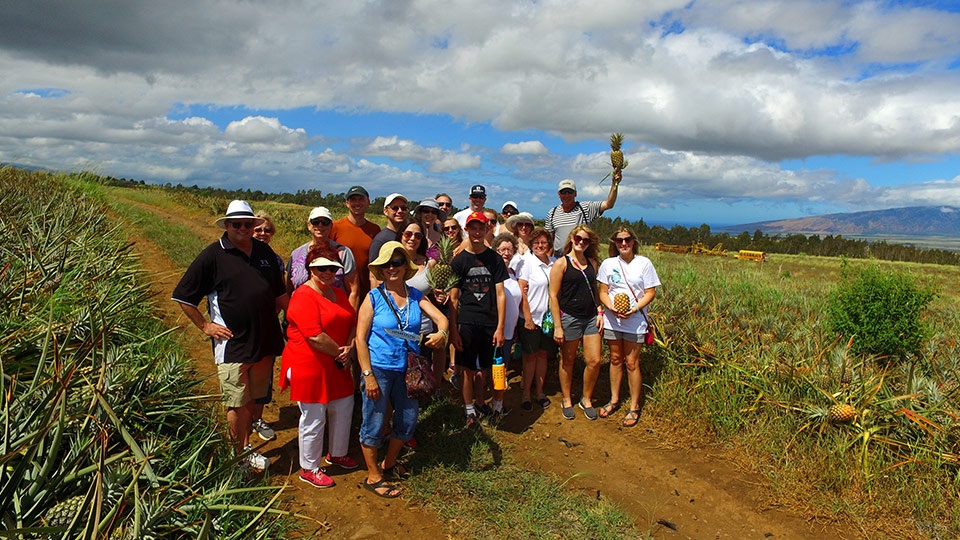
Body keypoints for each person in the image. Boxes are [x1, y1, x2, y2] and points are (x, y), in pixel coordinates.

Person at [172, 200, 287, 471]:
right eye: (237, 224)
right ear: (227, 225)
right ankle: (237, 458)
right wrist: (205, 326)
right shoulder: (213, 255)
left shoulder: (264, 252)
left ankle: (245, 448)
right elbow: (183, 295)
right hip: (233, 343)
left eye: (249, 224)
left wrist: (301, 322)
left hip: (264, 339)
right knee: (236, 401)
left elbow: (279, 293)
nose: (244, 229)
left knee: (252, 399)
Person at [356, 242, 448, 498]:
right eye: (387, 265)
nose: (391, 268)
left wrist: (441, 333)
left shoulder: (416, 296)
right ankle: (374, 475)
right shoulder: (373, 298)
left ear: (405, 267)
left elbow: (442, 318)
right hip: (379, 368)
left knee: (407, 421)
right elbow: (360, 339)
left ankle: (390, 463)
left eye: (397, 263)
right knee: (373, 420)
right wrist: (368, 375)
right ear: (381, 270)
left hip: (408, 369)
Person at [280, 248, 357, 488]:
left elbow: (351, 320)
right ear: (310, 269)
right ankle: (309, 467)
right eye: (321, 268)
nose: (327, 272)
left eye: (332, 268)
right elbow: (313, 335)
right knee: (314, 416)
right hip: (309, 363)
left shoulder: (337, 293)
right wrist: (342, 353)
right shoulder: (302, 296)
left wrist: (351, 346)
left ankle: (337, 452)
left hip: (337, 361)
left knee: (343, 406)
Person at [449, 211, 508, 427]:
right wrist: (454, 330)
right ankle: (469, 411)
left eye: (480, 228)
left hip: (490, 322)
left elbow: (501, 294)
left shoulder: (495, 259)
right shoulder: (460, 261)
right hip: (467, 321)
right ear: (467, 230)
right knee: (466, 369)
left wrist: (500, 327)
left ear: (487, 230)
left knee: (491, 369)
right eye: (472, 228)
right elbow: (454, 299)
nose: (476, 232)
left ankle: (493, 406)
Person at [597, 226, 660, 428]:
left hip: (635, 321)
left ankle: (634, 406)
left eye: (627, 239)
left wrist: (633, 309)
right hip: (613, 318)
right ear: (614, 243)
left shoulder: (644, 263)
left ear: (633, 241)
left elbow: (650, 292)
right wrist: (610, 307)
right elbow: (603, 291)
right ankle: (615, 399)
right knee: (615, 359)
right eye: (619, 240)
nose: (623, 243)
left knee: (632, 362)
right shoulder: (608, 264)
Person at [549, 225, 603, 421]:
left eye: (586, 240)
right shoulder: (561, 264)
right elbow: (553, 296)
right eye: (579, 238)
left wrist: (599, 311)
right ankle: (566, 399)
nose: (581, 242)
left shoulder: (593, 263)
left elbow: (596, 291)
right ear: (572, 238)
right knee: (568, 360)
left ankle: (586, 399)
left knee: (595, 361)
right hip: (569, 317)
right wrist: (558, 326)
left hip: (590, 318)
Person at [249, 210, 282, 442]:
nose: (262, 234)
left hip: (267, 325)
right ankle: (243, 419)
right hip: (242, 328)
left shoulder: (276, 260)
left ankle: (257, 418)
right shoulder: (236, 254)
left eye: (266, 230)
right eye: (258, 229)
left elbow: (280, 294)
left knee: (263, 376)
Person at [287, 207, 359, 309]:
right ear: (309, 225)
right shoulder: (296, 254)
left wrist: (350, 319)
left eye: (325, 222)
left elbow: (353, 291)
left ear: (331, 226)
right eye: (315, 222)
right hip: (301, 312)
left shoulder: (343, 253)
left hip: (334, 314)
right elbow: (289, 289)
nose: (320, 225)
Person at [517, 227, 556, 411]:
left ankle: (539, 392)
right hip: (530, 318)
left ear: (549, 245)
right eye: (537, 243)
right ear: (531, 245)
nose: (540, 246)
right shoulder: (527, 263)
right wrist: (528, 317)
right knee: (530, 357)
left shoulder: (554, 263)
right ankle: (526, 394)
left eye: (544, 242)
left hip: (548, 319)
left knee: (543, 355)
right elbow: (522, 291)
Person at [544, 170, 622, 254]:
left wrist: (615, 184)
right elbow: (549, 240)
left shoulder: (586, 208)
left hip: (582, 258)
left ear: (575, 194)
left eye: (570, 192)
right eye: (563, 192)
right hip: (559, 258)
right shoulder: (552, 213)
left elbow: (608, 204)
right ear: (559, 194)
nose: (567, 195)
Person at [330, 185, 381, 301]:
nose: (357, 203)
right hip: (339, 290)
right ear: (347, 203)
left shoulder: (374, 229)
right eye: (353, 200)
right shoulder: (335, 227)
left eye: (361, 199)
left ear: (368, 201)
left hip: (367, 291)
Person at [493, 233, 522, 385]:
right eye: (502, 249)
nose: (506, 253)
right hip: (495, 326)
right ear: (496, 251)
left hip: (510, 327)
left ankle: (501, 383)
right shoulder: (491, 272)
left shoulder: (513, 273)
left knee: (505, 358)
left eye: (510, 250)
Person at [368, 193, 409, 278]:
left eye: (403, 208)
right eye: (395, 208)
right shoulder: (380, 240)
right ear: (386, 211)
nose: (400, 211)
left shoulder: (411, 236)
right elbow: (373, 274)